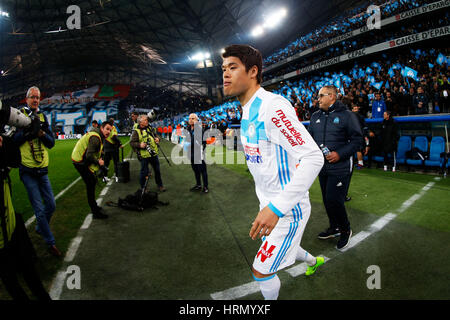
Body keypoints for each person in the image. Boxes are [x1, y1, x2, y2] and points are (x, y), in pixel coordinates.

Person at [222, 44, 324, 300]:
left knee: (261, 271)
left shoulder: (272, 106)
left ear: (253, 71)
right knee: (289, 246)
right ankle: (314, 261)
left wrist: (276, 208)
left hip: (288, 209)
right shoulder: (247, 109)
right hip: (269, 203)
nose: (225, 74)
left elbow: (313, 157)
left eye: (233, 67)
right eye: (223, 69)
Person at [308, 85, 363, 250]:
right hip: (322, 167)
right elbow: (310, 140)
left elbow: (357, 141)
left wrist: (339, 154)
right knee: (327, 200)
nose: (318, 99)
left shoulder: (347, 116)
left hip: (340, 166)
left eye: (321, 96)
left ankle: (346, 229)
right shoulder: (315, 116)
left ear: (332, 96)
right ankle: (335, 227)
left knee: (335, 199)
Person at [0, 135, 51, 300]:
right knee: (12, 280)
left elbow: (14, 160)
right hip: (3, 235)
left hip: (12, 221)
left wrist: (6, 141)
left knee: (29, 271)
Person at [13, 87, 61, 257]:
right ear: (26, 99)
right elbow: (13, 140)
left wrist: (40, 132)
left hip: (42, 168)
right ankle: (50, 242)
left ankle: (41, 228)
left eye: (37, 97)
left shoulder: (42, 117)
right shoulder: (18, 116)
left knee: (51, 205)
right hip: (27, 170)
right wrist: (28, 132)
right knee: (39, 209)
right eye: (32, 97)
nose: (35, 100)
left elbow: (51, 143)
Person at [72, 121, 112, 219]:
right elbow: (89, 155)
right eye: (107, 129)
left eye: (110, 130)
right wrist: (98, 162)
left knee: (92, 182)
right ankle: (95, 212)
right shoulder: (96, 138)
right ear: (101, 128)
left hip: (80, 160)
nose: (109, 132)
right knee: (91, 184)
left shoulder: (98, 135)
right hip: (80, 161)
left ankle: (95, 208)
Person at [130, 115, 166, 192]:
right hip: (144, 156)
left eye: (147, 120)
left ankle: (160, 185)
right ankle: (144, 187)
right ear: (140, 122)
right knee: (144, 172)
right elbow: (132, 143)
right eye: (145, 120)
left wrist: (157, 139)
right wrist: (139, 145)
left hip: (153, 154)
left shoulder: (151, 128)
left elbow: (157, 136)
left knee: (157, 171)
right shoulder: (136, 131)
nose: (147, 121)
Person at [187, 113, 208, 193]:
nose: (191, 120)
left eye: (193, 118)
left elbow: (202, 142)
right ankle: (198, 185)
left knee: (203, 171)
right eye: (190, 118)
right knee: (195, 170)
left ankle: (205, 187)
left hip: (199, 153)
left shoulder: (199, 129)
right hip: (191, 153)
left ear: (197, 120)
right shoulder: (189, 128)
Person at [103, 118, 123, 182]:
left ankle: (105, 176)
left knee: (106, 163)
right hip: (113, 148)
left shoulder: (105, 127)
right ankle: (117, 176)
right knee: (116, 162)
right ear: (113, 122)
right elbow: (114, 137)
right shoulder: (112, 127)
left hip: (106, 147)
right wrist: (120, 144)